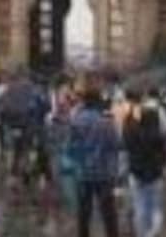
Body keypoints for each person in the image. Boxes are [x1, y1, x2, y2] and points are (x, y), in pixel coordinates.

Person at [68, 92, 123, 237]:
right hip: (104, 173)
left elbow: (71, 147)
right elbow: (116, 146)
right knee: (108, 213)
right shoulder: (106, 122)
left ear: (84, 103)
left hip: (83, 172)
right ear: (98, 104)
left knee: (84, 212)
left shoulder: (76, 121)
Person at [124, 99, 166, 237]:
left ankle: (141, 233)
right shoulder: (158, 137)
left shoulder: (133, 134)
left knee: (139, 205)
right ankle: (153, 233)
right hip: (155, 175)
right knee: (155, 206)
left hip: (136, 174)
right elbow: (163, 157)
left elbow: (127, 147)